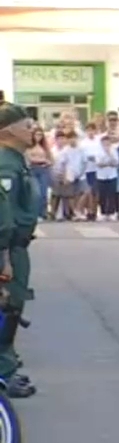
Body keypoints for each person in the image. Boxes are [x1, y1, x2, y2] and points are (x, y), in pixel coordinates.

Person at [0, 102, 38, 398]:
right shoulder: (5, 164)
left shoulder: (17, 159)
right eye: (26, 125)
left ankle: (8, 366)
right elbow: (4, 217)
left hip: (18, 247)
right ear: (8, 131)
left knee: (13, 309)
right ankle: (4, 372)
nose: (33, 129)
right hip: (9, 248)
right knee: (7, 310)